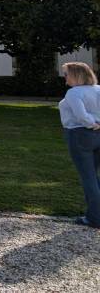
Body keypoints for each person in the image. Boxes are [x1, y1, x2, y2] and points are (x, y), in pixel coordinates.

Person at [58, 62, 100, 228]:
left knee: (88, 177)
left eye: (66, 74)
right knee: (93, 176)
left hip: (79, 135)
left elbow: (81, 116)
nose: (65, 77)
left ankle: (94, 218)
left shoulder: (74, 93)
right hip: (97, 135)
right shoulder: (98, 89)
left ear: (76, 75)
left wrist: (92, 124)